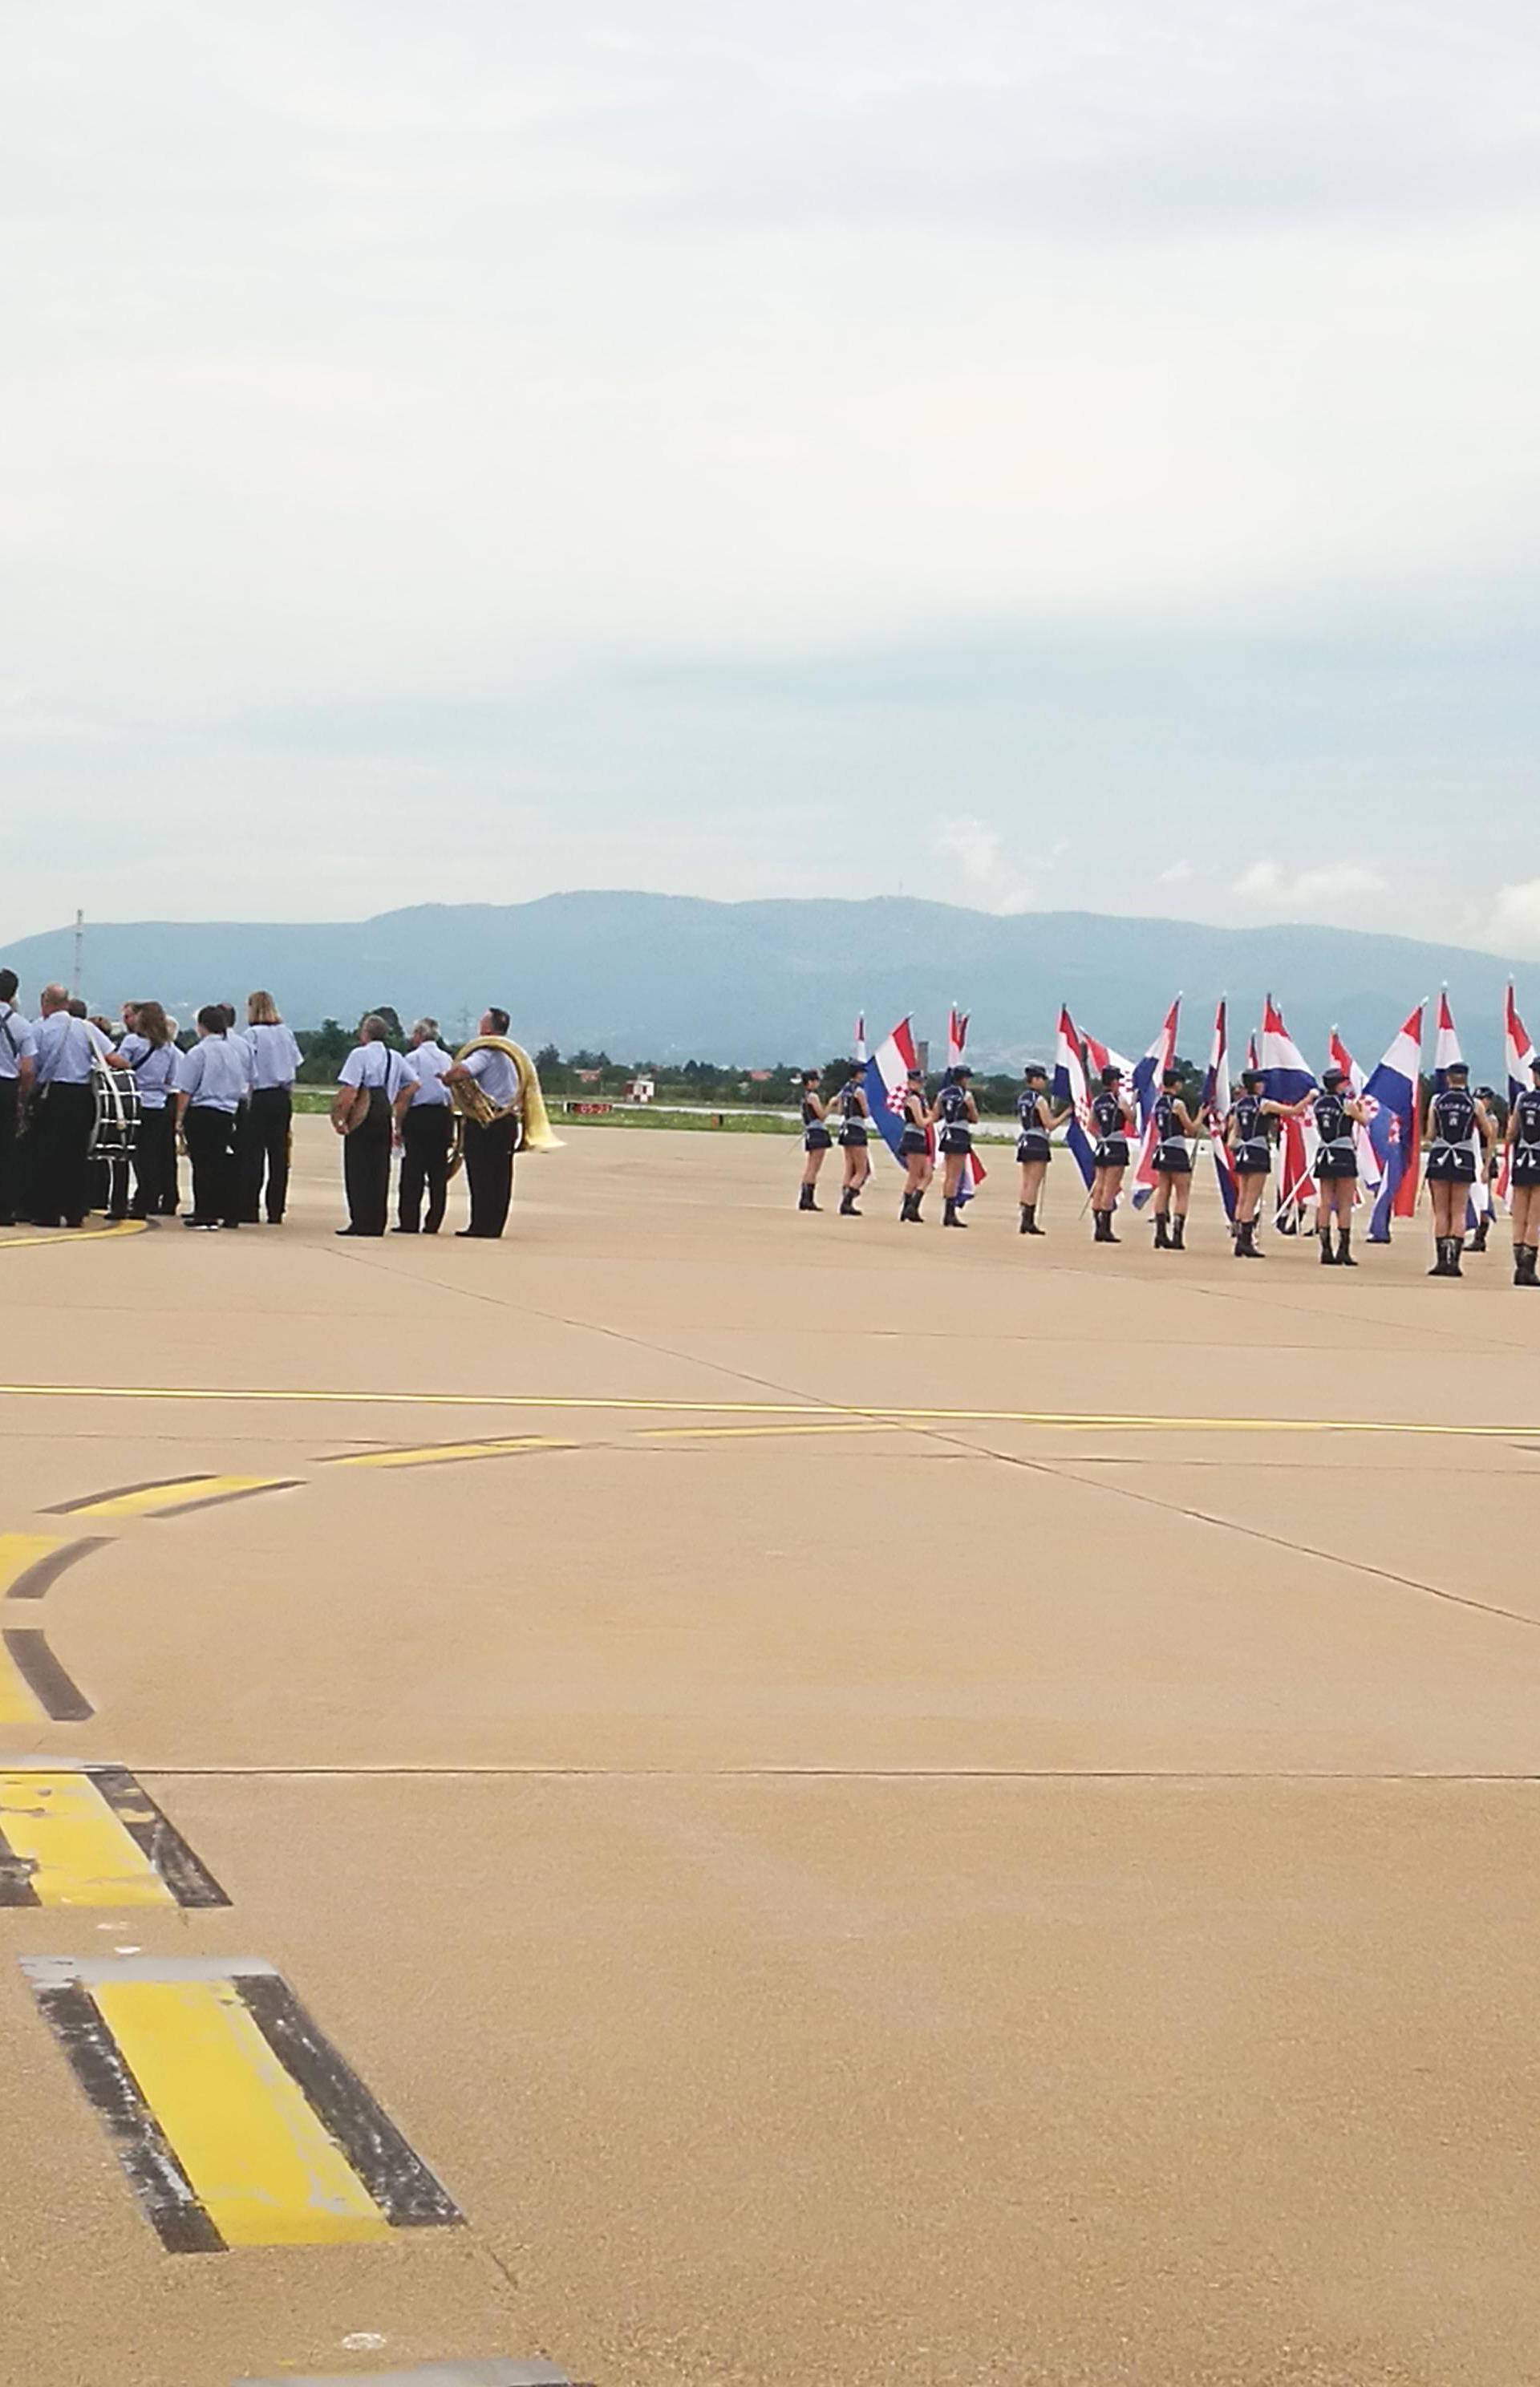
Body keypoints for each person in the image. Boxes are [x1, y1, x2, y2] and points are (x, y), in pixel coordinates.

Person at [29, 987, 110, 1228]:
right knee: (77, 1154)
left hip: (52, 1095)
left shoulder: (39, 1028)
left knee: (48, 1154)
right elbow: (113, 1057)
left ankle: (47, 1212)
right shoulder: (86, 1028)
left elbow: (31, 1067)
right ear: (67, 1003)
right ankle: (75, 1211)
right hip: (81, 1096)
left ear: (45, 1003)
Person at [442, 1009, 525, 1240]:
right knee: (501, 1175)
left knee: (481, 1173)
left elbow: (463, 1070)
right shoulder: (513, 1054)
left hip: (486, 1121)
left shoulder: (486, 1051)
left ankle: (481, 1224)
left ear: (488, 1028)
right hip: (507, 1120)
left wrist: (449, 1077)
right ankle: (495, 1225)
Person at [176, 1005, 253, 1229]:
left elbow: (186, 1089)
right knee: (220, 1163)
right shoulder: (234, 1052)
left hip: (203, 1111)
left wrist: (179, 1119)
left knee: (202, 1164)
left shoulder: (198, 1052)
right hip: (228, 1111)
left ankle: (205, 1213)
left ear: (202, 1027)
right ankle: (226, 1211)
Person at [331, 1015, 409, 1238]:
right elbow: (414, 1083)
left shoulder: (359, 1055)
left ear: (365, 1033)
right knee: (379, 1169)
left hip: (364, 1114)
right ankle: (377, 1221)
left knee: (357, 1168)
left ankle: (360, 1220)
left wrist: (341, 1118)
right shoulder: (394, 1056)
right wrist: (397, 1100)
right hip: (383, 1113)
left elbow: (350, 1090)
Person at [1286, 1066, 1369, 1266]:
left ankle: (1325, 1248)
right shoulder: (1347, 1104)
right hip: (1343, 1152)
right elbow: (1364, 1121)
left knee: (1325, 1200)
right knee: (1344, 1202)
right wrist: (1361, 1108)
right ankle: (1343, 1249)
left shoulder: (1320, 1104)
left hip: (1324, 1152)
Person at [1423, 1062, 1493, 1279]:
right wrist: (1487, 1162)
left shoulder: (1437, 1101)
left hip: (1440, 1157)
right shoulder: (1475, 1104)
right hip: (1463, 1157)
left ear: (1448, 1078)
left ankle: (1441, 1260)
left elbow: (1430, 1134)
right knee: (1459, 1210)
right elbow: (1489, 1132)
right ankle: (1455, 1262)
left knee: (1441, 1211)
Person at [239, 991, 302, 1225]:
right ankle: (276, 1208)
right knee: (279, 1155)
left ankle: (250, 1206)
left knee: (253, 1154)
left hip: (260, 1097)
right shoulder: (286, 1033)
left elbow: (246, 1069)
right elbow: (294, 1066)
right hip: (281, 1097)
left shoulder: (252, 1035)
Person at [393, 1018, 456, 1234]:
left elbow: (406, 1095)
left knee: (413, 1172)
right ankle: (433, 1223)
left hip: (419, 1116)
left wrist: (398, 1126)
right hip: (442, 1117)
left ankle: (409, 1222)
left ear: (419, 1035)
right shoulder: (447, 1058)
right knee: (438, 1174)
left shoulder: (412, 1058)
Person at [120, 999, 178, 1221]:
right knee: (153, 1155)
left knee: (135, 1156)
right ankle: (151, 1195)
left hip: (137, 1102)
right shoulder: (169, 1047)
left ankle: (138, 1198)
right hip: (159, 1104)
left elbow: (121, 1067)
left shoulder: (132, 1042)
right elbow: (172, 1078)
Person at [1225, 1068, 1278, 1259]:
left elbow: (1234, 1131)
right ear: (1257, 1085)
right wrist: (1308, 1099)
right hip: (1258, 1151)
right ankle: (1246, 1241)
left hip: (1243, 1151)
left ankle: (1239, 1238)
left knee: (1242, 1197)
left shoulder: (1239, 1105)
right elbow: (1292, 1111)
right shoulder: (1264, 1104)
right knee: (1251, 1198)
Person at [0, 967, 37, 1227]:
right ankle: (4, 1210)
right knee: (6, 1149)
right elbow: (28, 1069)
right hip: (7, 1088)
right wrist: (23, 1097)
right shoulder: (22, 1025)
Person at [1149, 1068, 1200, 1250]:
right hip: (1177, 1149)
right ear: (1176, 1084)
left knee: (1163, 1191)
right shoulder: (1177, 1104)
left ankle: (1160, 1233)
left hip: (1163, 1147)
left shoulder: (1158, 1103)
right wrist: (1201, 1116)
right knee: (1182, 1192)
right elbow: (1191, 1128)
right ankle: (1177, 1235)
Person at [1088, 1064, 1134, 1244]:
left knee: (1099, 1185)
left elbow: (1091, 1126)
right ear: (1114, 1082)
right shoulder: (1119, 1100)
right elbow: (1131, 1118)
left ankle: (1097, 1224)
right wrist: (1133, 1107)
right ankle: (1104, 1228)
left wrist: (1100, 1138)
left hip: (1102, 1145)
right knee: (1111, 1187)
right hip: (1116, 1144)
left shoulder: (1097, 1101)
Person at [1015, 1064, 1062, 1236]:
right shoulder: (1039, 1100)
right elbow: (1050, 1124)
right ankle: (1028, 1220)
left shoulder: (1023, 1098)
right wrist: (1065, 1115)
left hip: (1025, 1139)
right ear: (1034, 1080)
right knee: (1034, 1183)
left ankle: (1024, 1217)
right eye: (1041, 1078)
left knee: (1026, 1181)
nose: (1043, 1082)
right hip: (1038, 1140)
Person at [930, 1065, 979, 1229]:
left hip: (947, 1132)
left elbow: (935, 1116)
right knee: (955, 1175)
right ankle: (950, 1214)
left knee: (949, 1174)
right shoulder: (966, 1096)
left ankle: (947, 1210)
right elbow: (974, 1117)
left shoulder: (942, 1095)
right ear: (963, 1079)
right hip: (960, 1133)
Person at [1506, 1057, 1540, 1287]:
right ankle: (1528, 1269)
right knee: (1534, 1219)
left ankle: (1519, 1267)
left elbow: (1511, 1132)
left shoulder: (1522, 1099)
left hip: (1522, 1159)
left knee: (1519, 1217)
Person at [833, 1064, 872, 1217]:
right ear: (858, 1074)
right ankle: (848, 1200)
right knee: (862, 1169)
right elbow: (866, 1112)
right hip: (857, 1129)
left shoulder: (844, 1091)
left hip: (845, 1127)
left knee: (849, 1166)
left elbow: (840, 1110)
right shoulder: (859, 1091)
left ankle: (845, 1196)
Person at [897, 1068, 932, 1222]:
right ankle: (909, 1207)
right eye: (918, 1081)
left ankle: (911, 1206)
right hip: (914, 1137)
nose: (920, 1084)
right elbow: (920, 1122)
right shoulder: (913, 1099)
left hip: (918, 1137)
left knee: (927, 1174)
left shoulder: (920, 1098)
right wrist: (932, 1118)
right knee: (915, 1175)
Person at [796, 1070, 831, 1212]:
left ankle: (805, 1197)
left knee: (811, 1166)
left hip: (810, 1131)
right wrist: (830, 1105)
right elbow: (822, 1115)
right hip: (817, 1132)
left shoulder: (804, 1098)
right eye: (816, 1080)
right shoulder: (813, 1097)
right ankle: (808, 1198)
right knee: (814, 1167)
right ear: (810, 1082)